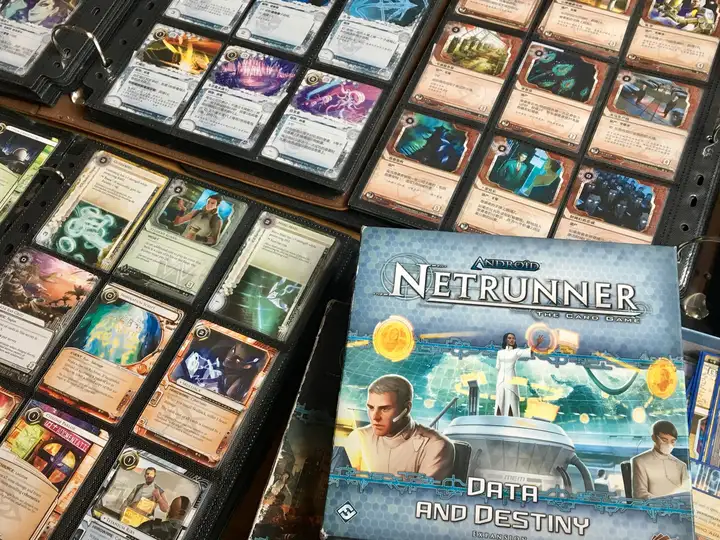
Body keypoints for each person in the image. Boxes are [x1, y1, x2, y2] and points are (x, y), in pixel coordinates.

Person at [343, 375, 454, 480]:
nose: (374, 417)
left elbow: (422, 493)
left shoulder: (435, 445)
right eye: (371, 408)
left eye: (385, 409)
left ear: (407, 408)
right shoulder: (359, 438)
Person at [631, 420, 690, 499]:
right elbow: (640, 494)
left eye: (672, 441)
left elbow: (687, 494)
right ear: (654, 438)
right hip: (653, 506)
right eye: (664, 440)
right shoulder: (640, 461)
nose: (669, 444)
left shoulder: (681, 465)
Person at [495, 332, 541, 416]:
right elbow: (497, 367)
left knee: (511, 401)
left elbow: (528, 351)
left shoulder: (516, 351)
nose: (512, 340)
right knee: (499, 401)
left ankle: (512, 420)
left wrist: (537, 343)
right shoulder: (500, 352)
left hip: (510, 380)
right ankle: (498, 419)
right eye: (509, 338)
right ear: (505, 339)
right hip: (500, 381)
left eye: (513, 338)